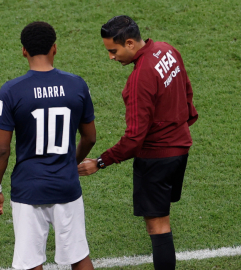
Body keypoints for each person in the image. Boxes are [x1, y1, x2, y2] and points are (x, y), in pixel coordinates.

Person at [78, 15, 198, 270]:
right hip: (180, 148)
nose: (111, 57)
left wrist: (99, 162)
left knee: (158, 225)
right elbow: (187, 93)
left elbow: (134, 139)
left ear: (130, 43)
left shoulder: (139, 80)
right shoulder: (168, 50)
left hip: (156, 158)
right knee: (162, 220)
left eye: (113, 50)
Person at [0, 21, 96, 270]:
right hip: (66, 185)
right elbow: (90, 137)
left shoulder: (11, 91)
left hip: (28, 188)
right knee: (79, 256)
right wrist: (71, 162)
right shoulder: (77, 85)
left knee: (30, 261)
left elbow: (2, 148)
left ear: (23, 51)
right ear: (54, 48)